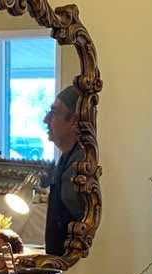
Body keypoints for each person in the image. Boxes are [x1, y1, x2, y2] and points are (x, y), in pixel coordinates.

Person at [44, 85, 86, 255]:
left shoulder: (81, 163)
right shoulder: (65, 158)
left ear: (74, 121)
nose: (46, 119)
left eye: (54, 113)